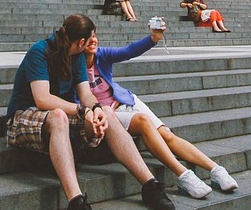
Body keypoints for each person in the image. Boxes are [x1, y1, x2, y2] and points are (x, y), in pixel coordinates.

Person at [4, 14, 175, 210]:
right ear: (82, 42)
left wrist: (95, 111)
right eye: (91, 37)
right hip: (21, 118)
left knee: (105, 111)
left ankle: (149, 185)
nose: (94, 41)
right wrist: (82, 111)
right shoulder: (40, 51)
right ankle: (76, 203)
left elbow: (85, 94)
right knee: (58, 116)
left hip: (59, 117)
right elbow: (42, 100)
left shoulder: (75, 56)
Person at [84, 23, 238, 199]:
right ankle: (184, 175)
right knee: (143, 122)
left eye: (94, 36)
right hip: (108, 113)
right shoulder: (74, 67)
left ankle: (216, 169)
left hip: (125, 100)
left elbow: (128, 51)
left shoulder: (101, 55)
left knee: (166, 133)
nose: (93, 41)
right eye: (88, 38)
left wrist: (153, 38)